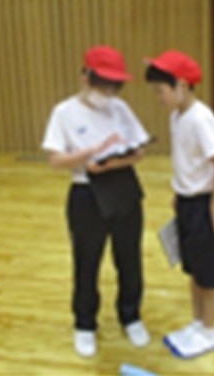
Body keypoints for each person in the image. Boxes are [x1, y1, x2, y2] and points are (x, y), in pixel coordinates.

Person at [42, 46, 151, 357]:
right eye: (104, 85)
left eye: (115, 86)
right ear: (85, 78)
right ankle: (85, 323)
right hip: (86, 192)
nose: (109, 93)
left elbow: (140, 151)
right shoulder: (64, 112)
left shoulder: (121, 108)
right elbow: (55, 160)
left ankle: (131, 315)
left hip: (123, 186)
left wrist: (113, 162)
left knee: (129, 257)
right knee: (87, 262)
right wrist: (89, 156)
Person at [144, 50, 214, 359]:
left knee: (209, 275)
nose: (158, 98)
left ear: (181, 85)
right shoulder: (176, 116)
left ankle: (210, 330)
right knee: (194, 269)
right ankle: (197, 324)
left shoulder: (200, 119)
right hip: (187, 203)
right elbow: (187, 161)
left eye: (161, 91)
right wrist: (179, 193)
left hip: (206, 204)